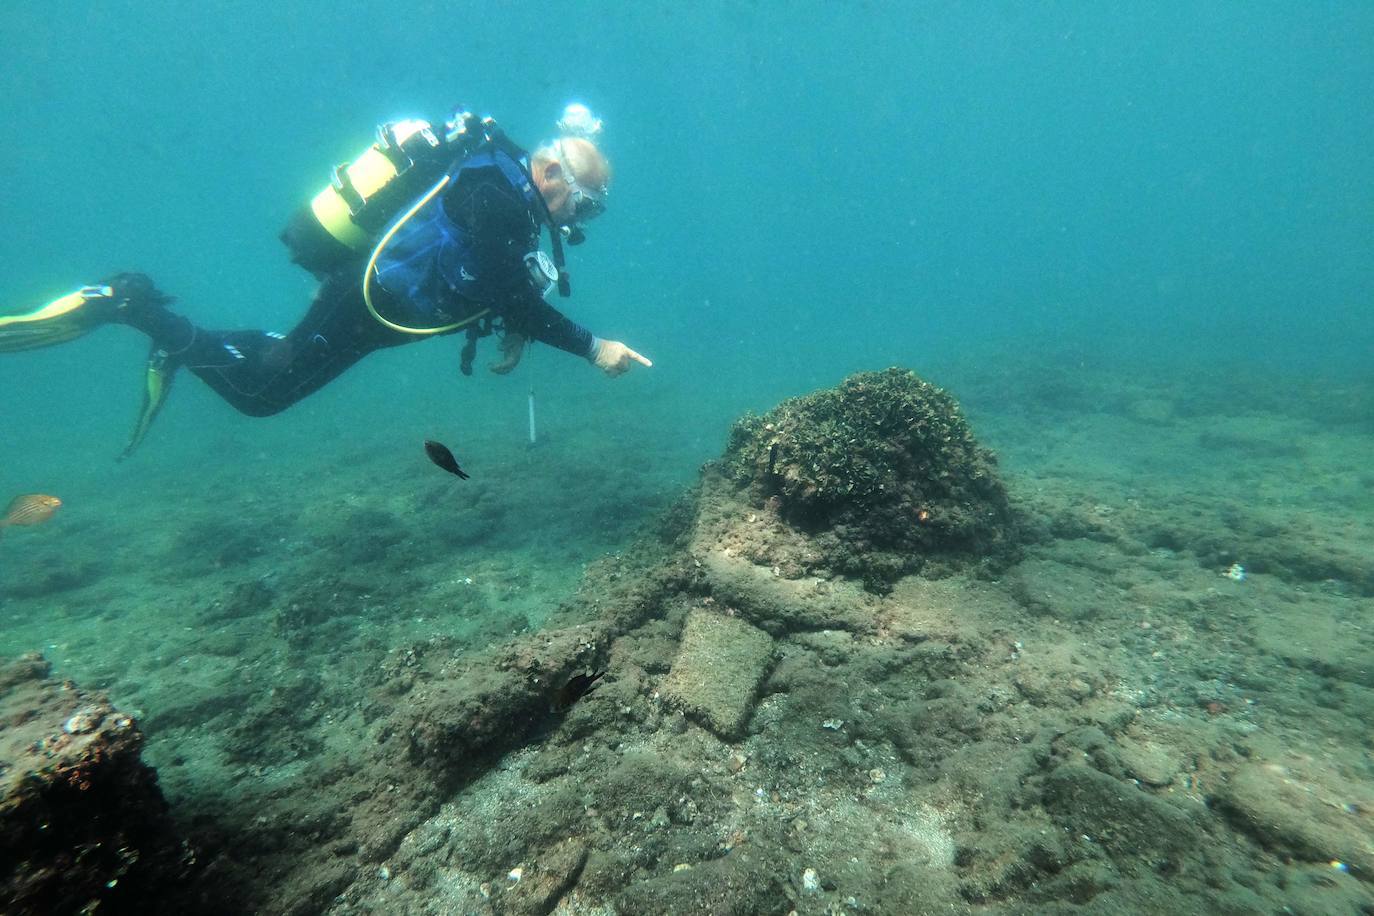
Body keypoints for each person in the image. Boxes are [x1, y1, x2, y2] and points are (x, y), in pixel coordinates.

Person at [0, 104, 650, 455]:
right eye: (585, 205)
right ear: (552, 174)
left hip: (372, 302)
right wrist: (594, 348)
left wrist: (515, 324)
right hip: (368, 301)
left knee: (277, 362)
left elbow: (490, 280)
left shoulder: (501, 186)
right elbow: (503, 286)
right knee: (260, 395)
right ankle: (135, 307)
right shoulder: (499, 196)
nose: (580, 221)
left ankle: (177, 332)